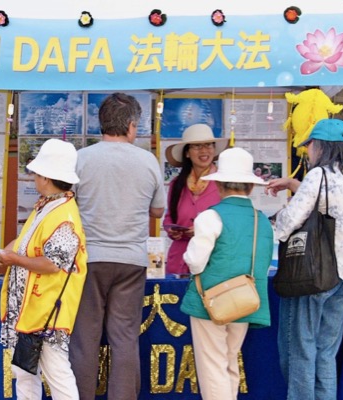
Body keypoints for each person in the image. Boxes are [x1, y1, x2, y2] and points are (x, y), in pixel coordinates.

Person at [0, 138, 87, 400]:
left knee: (57, 373)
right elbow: (23, 243)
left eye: (36, 172)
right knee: (23, 371)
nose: (33, 177)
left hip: (47, 311)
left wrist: (12, 260)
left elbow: (51, 264)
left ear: (46, 177)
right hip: (31, 309)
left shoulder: (64, 217)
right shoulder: (48, 205)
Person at [69, 92, 166, 400]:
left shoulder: (81, 158)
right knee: (124, 339)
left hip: (89, 260)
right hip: (131, 261)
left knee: (84, 340)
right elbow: (157, 211)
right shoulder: (147, 161)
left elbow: (66, 205)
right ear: (132, 126)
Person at [265, 118, 343, 400]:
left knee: (300, 349)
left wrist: (275, 221)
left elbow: (288, 223)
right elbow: (331, 205)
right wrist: (294, 184)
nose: (307, 152)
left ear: (319, 145)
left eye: (308, 146)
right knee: (325, 352)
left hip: (313, 274)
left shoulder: (318, 175)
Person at [180, 147, 273, 400]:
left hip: (210, 301)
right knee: (231, 363)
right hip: (244, 300)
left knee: (213, 368)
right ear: (250, 187)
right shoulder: (261, 219)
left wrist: (188, 255)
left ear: (219, 184)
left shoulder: (210, 216)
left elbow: (196, 263)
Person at [163, 123, 228, 275]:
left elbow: (230, 222)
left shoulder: (224, 183)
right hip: (179, 260)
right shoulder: (176, 184)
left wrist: (203, 230)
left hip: (212, 261)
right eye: (197, 146)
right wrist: (172, 230)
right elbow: (169, 218)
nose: (204, 150)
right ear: (187, 153)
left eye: (209, 145)